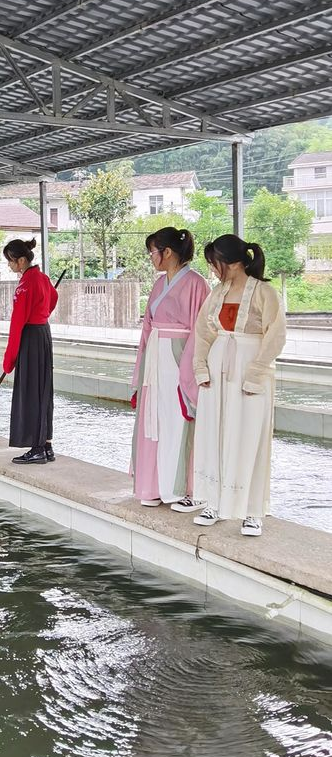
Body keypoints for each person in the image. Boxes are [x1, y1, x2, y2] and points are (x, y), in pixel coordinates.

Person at [192, 235, 286, 537]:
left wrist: (256, 373)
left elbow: (276, 335)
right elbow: (203, 331)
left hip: (250, 364)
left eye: (214, 263)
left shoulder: (264, 292)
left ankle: (253, 511)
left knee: (249, 435)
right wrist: (201, 367)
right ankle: (214, 502)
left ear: (231, 263)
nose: (212, 269)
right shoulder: (217, 292)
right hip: (218, 366)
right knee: (214, 432)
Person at [130, 227, 209, 511]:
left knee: (178, 419)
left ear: (168, 252)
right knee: (154, 419)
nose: (151, 257)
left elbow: (202, 331)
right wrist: (139, 372)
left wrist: (191, 369)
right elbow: (146, 329)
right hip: (155, 359)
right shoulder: (158, 284)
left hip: (179, 359)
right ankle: (153, 485)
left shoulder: (197, 284)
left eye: (152, 252)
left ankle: (184, 487)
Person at [2, 238, 58, 465]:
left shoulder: (25, 285)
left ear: (22, 260)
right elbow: (53, 298)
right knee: (43, 390)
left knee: (30, 391)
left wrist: (9, 359)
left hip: (30, 338)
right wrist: (41, 314)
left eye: (11, 261)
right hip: (43, 334)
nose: (9, 265)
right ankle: (46, 445)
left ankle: (36, 448)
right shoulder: (42, 278)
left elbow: (17, 324)